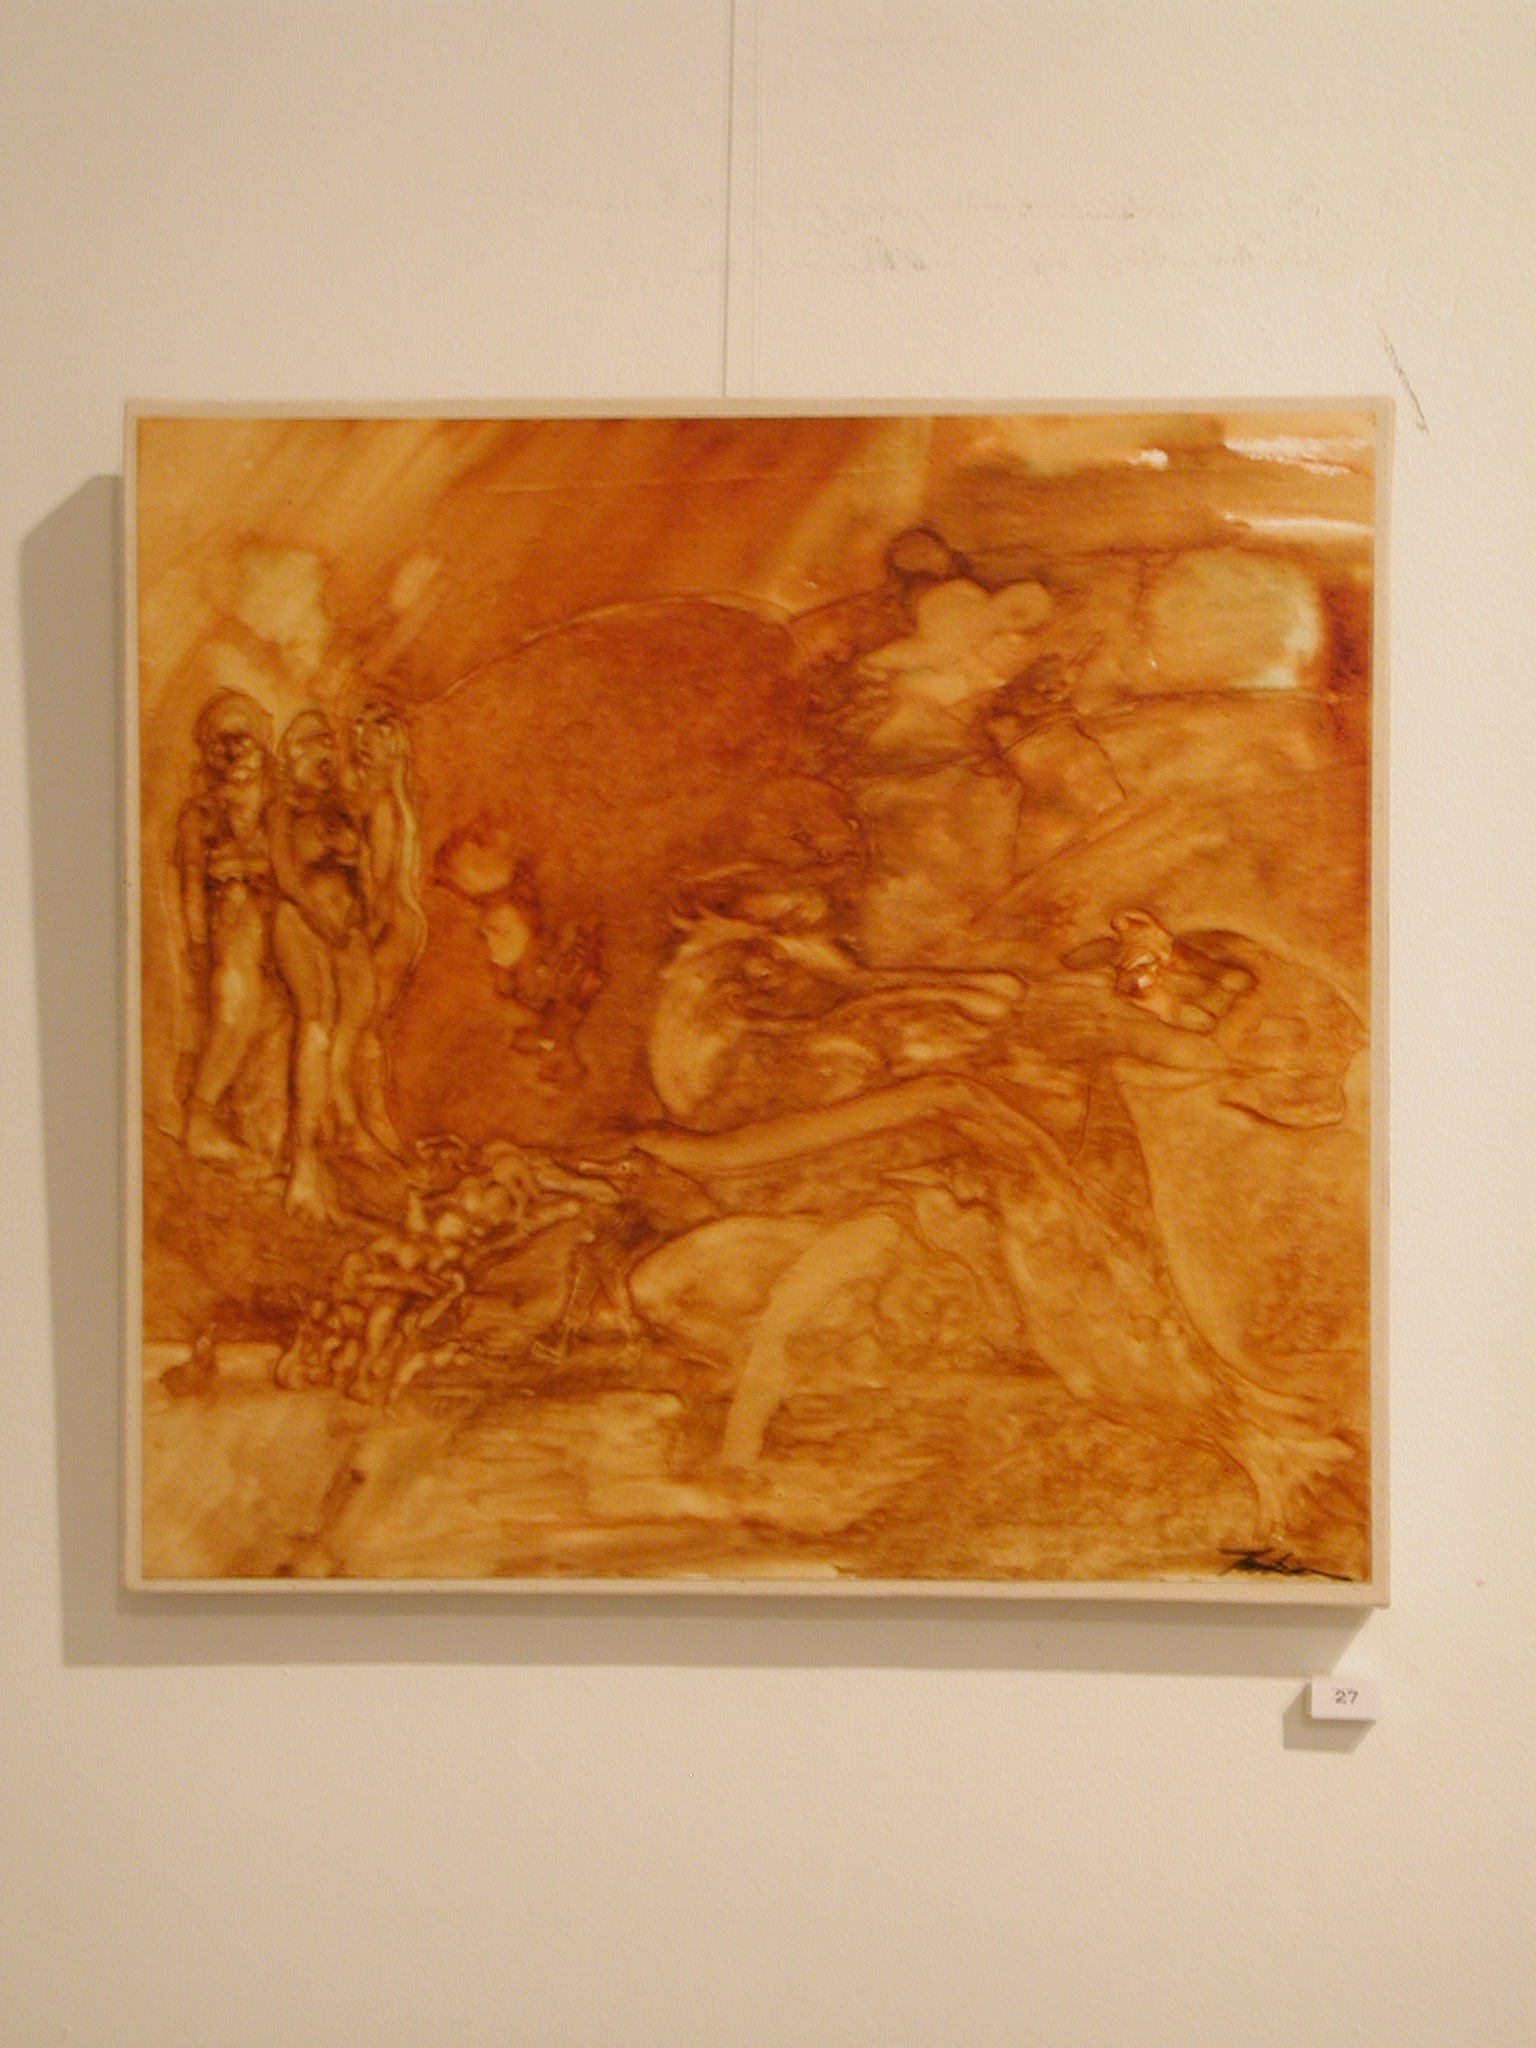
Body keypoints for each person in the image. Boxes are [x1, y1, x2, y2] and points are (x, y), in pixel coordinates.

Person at [268, 709, 383, 1221]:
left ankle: (347, 1132)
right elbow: (287, 878)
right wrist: (321, 918)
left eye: (327, 744)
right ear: (291, 755)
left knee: (355, 1022)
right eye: (311, 743)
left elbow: (365, 874)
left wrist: (361, 916)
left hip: (345, 931)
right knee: (316, 1026)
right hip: (301, 923)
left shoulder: (343, 808)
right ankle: (304, 1165)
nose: (325, 754)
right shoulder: (284, 810)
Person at [173, 690, 284, 1166]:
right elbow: (192, 888)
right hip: (234, 932)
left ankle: (258, 1134)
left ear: (262, 742)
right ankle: (199, 1122)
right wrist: (198, 945)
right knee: (235, 1015)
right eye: (222, 741)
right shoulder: (199, 815)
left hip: (283, 936)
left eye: (244, 739)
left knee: (273, 1029)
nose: (234, 751)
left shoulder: (282, 806)